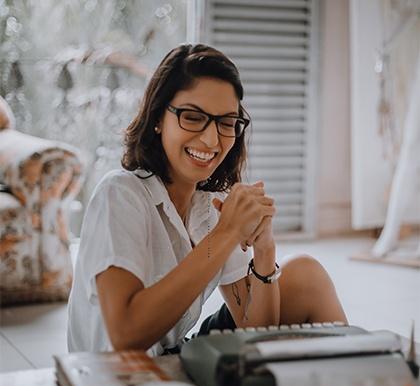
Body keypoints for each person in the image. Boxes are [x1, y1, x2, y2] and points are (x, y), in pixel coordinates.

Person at [67, 44, 347, 356]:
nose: (212, 140)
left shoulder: (210, 206)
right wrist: (226, 234)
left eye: (226, 122)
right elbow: (126, 336)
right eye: (192, 117)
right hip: (117, 375)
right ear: (158, 117)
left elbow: (258, 332)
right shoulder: (120, 193)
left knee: (307, 274)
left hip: (175, 355)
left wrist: (264, 250)